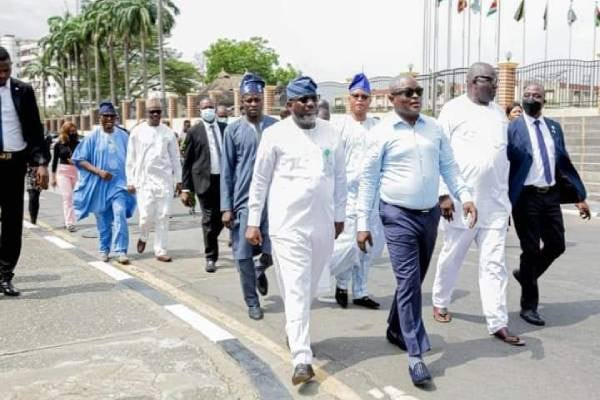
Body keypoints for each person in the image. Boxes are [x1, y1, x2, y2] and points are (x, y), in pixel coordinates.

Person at [356, 75, 476, 386]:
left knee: (414, 278)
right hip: (397, 215)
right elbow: (369, 181)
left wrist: (466, 198)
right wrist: (362, 224)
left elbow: (449, 166)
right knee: (409, 281)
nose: (415, 96)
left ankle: (396, 328)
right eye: (408, 92)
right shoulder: (381, 132)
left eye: (419, 91)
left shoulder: (433, 128)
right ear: (393, 97)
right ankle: (415, 354)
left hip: (429, 216)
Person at [246, 76, 346, 385]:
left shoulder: (331, 132)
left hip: (322, 224)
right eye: (303, 100)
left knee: (306, 288)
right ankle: (302, 358)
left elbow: (340, 177)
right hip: (287, 226)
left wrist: (339, 216)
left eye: (313, 98)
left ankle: (293, 330)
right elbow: (260, 180)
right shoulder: (275, 135)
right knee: (299, 287)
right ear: (290, 105)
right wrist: (252, 220)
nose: (311, 104)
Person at [430, 63, 523, 346]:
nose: (495, 86)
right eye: (490, 81)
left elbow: (502, 159)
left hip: (495, 204)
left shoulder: (498, 112)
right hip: (462, 202)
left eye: (496, 81)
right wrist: (443, 194)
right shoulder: (452, 110)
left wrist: (506, 202)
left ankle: (498, 322)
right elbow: (439, 153)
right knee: (452, 255)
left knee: (494, 265)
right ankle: (440, 300)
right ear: (471, 82)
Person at [507, 82, 590, 326]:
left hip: (550, 195)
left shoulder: (553, 128)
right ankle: (528, 306)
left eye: (537, 95)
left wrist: (578, 197)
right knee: (531, 250)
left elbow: (563, 164)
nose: (532, 98)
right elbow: (505, 165)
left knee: (557, 245)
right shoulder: (512, 128)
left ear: (544, 100)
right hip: (526, 196)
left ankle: (525, 275)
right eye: (527, 94)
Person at [221, 73, 278, 320]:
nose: (253, 104)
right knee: (243, 253)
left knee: (274, 250)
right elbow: (226, 171)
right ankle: (252, 301)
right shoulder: (232, 131)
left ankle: (260, 268)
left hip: (274, 201)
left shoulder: (276, 127)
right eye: (248, 100)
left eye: (256, 99)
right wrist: (227, 206)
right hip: (243, 202)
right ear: (242, 102)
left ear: (262, 100)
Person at [328, 73, 384, 310]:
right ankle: (341, 285)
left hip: (370, 195)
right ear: (348, 99)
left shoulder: (377, 127)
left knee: (366, 246)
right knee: (348, 244)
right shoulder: (337, 126)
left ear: (370, 100)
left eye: (364, 97)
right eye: (356, 96)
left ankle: (360, 291)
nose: (360, 100)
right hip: (347, 195)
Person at [0, 46, 49, 296]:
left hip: (13, 164)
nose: (3, 75)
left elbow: (34, 129)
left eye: (6, 70)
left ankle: (5, 275)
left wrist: (41, 163)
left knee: (11, 222)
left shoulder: (23, 91)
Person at [72, 101, 136, 264]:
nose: (109, 119)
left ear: (116, 118)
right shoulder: (92, 137)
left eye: (111, 116)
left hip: (119, 184)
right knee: (104, 221)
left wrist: (133, 180)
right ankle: (104, 249)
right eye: (105, 116)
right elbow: (79, 159)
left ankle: (121, 250)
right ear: (99, 118)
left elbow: (133, 159)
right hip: (99, 186)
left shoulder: (124, 136)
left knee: (120, 213)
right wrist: (99, 172)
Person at [126, 97, 182, 262]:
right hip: (144, 181)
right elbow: (130, 158)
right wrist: (130, 181)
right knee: (145, 218)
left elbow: (175, 158)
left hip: (164, 181)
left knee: (163, 216)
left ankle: (161, 250)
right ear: (146, 113)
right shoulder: (137, 132)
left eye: (158, 111)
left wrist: (178, 180)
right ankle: (143, 236)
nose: (156, 114)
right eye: (152, 112)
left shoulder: (168, 133)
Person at [181, 97, 227, 272]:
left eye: (211, 107)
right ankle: (211, 257)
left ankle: (211, 237)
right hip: (203, 181)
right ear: (200, 111)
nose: (208, 110)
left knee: (224, 216)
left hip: (223, 180)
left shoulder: (225, 129)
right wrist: (186, 188)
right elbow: (187, 162)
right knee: (208, 218)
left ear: (215, 109)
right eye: (205, 107)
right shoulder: (194, 132)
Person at [51, 121, 80, 232]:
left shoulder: (78, 144)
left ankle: (68, 218)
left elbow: (84, 159)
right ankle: (70, 223)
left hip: (75, 171)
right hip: (63, 172)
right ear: (65, 132)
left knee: (76, 198)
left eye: (74, 131)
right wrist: (53, 177)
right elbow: (54, 162)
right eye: (70, 131)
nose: (72, 133)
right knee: (67, 197)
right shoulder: (59, 144)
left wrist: (76, 162)